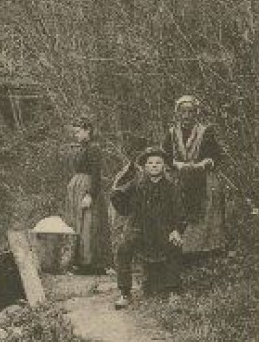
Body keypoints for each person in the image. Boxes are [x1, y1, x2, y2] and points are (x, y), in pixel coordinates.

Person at [111, 146, 186, 309]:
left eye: (158, 162)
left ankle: (173, 291)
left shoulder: (171, 188)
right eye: (150, 163)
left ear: (164, 166)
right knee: (123, 248)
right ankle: (125, 293)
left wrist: (177, 230)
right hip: (140, 231)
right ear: (145, 166)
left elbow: (180, 212)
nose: (154, 165)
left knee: (174, 246)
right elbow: (119, 198)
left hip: (162, 232)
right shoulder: (137, 185)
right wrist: (119, 188)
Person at [162, 96, 225, 256]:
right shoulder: (171, 133)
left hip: (201, 174)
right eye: (183, 112)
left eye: (190, 112)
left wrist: (204, 164)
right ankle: (175, 246)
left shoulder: (205, 132)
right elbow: (164, 156)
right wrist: (176, 164)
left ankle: (203, 248)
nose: (187, 116)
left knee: (210, 194)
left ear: (196, 113)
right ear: (178, 114)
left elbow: (216, 155)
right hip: (178, 174)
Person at [63, 119, 111, 274]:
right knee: (78, 223)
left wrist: (90, 195)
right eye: (74, 132)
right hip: (77, 189)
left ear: (88, 130)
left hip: (87, 188)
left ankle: (91, 263)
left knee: (89, 224)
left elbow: (96, 174)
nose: (75, 135)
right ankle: (80, 261)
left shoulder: (94, 149)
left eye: (78, 131)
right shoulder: (82, 148)